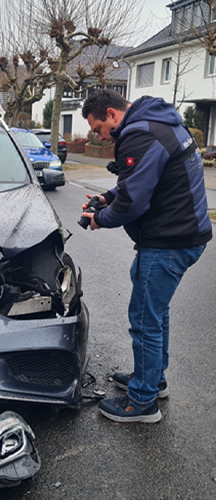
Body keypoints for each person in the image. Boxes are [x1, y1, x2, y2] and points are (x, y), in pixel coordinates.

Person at [81, 89, 212, 423]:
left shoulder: (139, 134)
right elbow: (140, 182)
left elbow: (134, 202)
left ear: (111, 114)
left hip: (169, 241)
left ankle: (142, 402)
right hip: (182, 235)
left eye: (98, 129)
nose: (101, 136)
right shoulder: (156, 122)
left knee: (144, 319)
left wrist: (100, 218)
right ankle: (154, 380)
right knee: (156, 313)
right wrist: (107, 197)